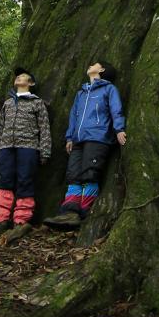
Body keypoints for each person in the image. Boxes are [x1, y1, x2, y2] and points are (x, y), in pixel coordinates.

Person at [44, 60, 126, 230]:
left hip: (98, 137)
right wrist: (69, 138)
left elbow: (115, 109)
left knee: (90, 173)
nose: (89, 65)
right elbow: (74, 116)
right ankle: (68, 212)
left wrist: (119, 129)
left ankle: (83, 211)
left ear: (102, 69)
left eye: (94, 64)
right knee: (73, 174)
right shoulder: (81, 93)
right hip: (78, 139)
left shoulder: (108, 89)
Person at [0, 66, 51, 242]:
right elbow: (0, 126)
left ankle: (21, 220)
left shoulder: (36, 103)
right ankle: (1, 219)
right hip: (7, 146)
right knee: (5, 180)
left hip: (29, 147)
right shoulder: (8, 103)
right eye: (17, 77)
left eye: (23, 76)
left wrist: (45, 151)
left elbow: (44, 128)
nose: (19, 78)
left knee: (25, 179)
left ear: (31, 83)